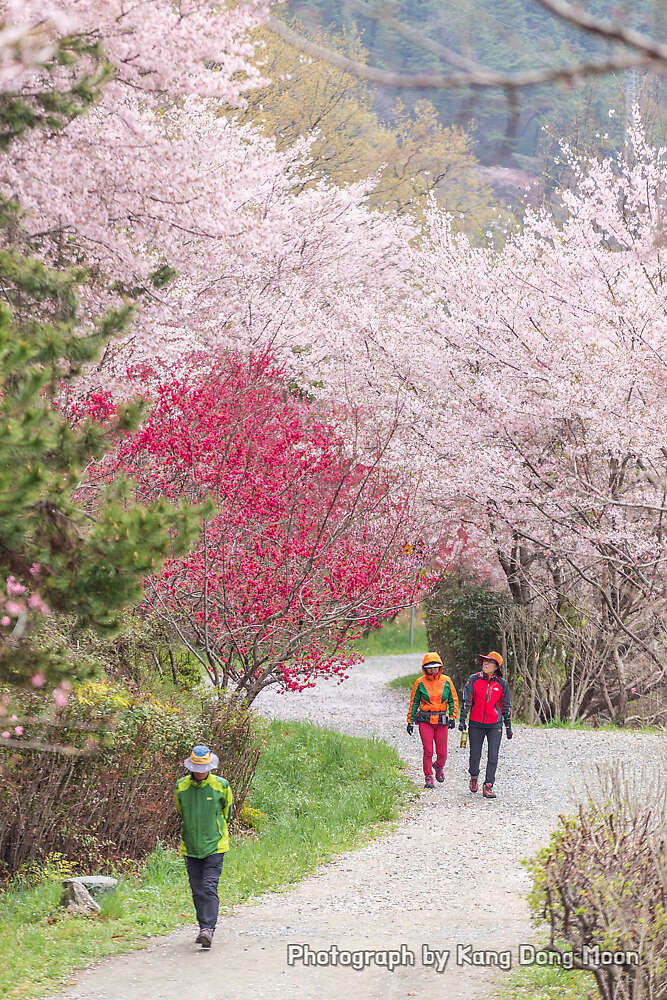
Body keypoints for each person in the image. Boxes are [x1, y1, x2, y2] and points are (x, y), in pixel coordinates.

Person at [175, 744, 234, 948]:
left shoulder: (222, 786)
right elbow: (181, 810)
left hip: (215, 846)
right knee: (197, 889)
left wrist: (216, 830)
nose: (200, 772)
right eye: (197, 769)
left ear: (210, 767)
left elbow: (228, 812)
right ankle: (203, 927)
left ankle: (207, 929)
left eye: (204, 768)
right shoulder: (181, 786)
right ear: (191, 767)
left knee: (209, 887)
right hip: (190, 846)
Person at [459, 651, 513, 799]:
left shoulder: (502, 684)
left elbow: (506, 705)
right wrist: (462, 720)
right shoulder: (474, 679)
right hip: (476, 724)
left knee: (493, 756)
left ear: (496, 667)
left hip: (495, 725)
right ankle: (474, 775)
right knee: (475, 755)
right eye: (484, 661)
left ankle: (488, 785)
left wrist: (508, 726)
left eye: (490, 662)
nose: (486, 664)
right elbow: (466, 701)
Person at [406, 652, 459, 789]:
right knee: (428, 750)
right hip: (425, 720)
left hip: (441, 720)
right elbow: (414, 702)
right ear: (425, 668)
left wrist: (452, 717)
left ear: (440, 667)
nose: (433, 670)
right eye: (430, 667)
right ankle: (428, 776)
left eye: (436, 667)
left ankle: (438, 766)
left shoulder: (446, 681)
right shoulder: (420, 682)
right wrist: (410, 721)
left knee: (442, 753)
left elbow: (453, 700)